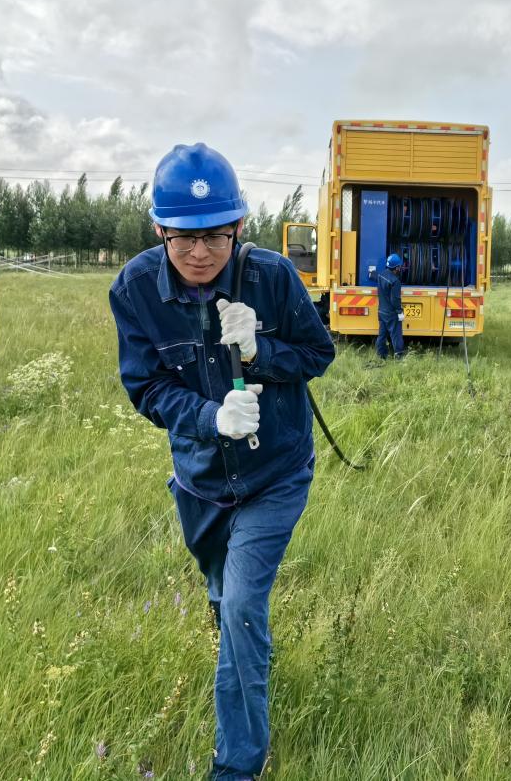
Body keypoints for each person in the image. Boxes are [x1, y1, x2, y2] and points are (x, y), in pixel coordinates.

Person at [109, 143, 335, 780]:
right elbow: (145, 387)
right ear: (159, 230)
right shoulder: (133, 290)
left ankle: (239, 764)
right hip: (202, 483)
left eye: (215, 237)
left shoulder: (272, 278)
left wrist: (261, 349)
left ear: (238, 227)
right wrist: (212, 419)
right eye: (183, 239)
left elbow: (318, 355)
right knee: (220, 592)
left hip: (276, 473)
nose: (200, 253)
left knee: (240, 607)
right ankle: (233, 624)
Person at [373, 252, 406, 359]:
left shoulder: (381, 275)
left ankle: (381, 355)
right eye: (399, 266)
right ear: (396, 267)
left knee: (382, 334)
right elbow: (395, 299)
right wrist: (399, 311)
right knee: (396, 334)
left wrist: (371, 272)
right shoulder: (395, 281)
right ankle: (399, 356)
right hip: (391, 313)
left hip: (381, 312)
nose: (400, 268)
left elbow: (373, 275)